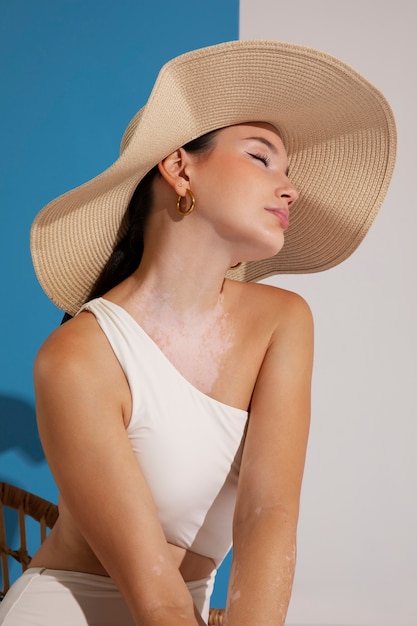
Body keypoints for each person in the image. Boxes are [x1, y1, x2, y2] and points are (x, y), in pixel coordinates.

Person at [0, 40, 396, 626]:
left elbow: (269, 517)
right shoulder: (79, 356)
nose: (291, 189)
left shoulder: (282, 321)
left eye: (289, 173)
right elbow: (156, 599)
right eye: (262, 159)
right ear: (179, 167)